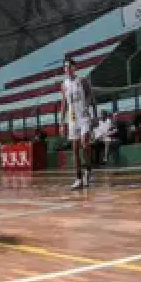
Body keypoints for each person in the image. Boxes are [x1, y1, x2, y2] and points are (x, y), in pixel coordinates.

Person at [58, 56, 96, 190]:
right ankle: (78, 178)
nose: (67, 69)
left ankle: (88, 170)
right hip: (72, 119)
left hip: (84, 117)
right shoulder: (64, 85)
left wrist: (92, 112)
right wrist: (62, 123)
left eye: (69, 66)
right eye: (65, 67)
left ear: (75, 67)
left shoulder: (82, 81)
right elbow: (63, 104)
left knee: (85, 144)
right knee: (75, 150)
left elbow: (91, 95)